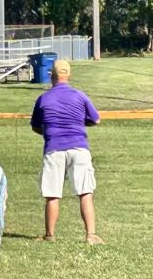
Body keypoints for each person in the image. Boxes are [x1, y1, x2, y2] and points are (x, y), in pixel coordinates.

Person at [31, 58, 103, 244]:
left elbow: (36, 126)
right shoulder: (80, 96)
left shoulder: (43, 99)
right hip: (79, 147)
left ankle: (50, 235)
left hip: (54, 148)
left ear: (52, 77)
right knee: (85, 192)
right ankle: (91, 235)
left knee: (52, 194)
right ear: (69, 76)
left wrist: (49, 131)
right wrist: (79, 123)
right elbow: (95, 119)